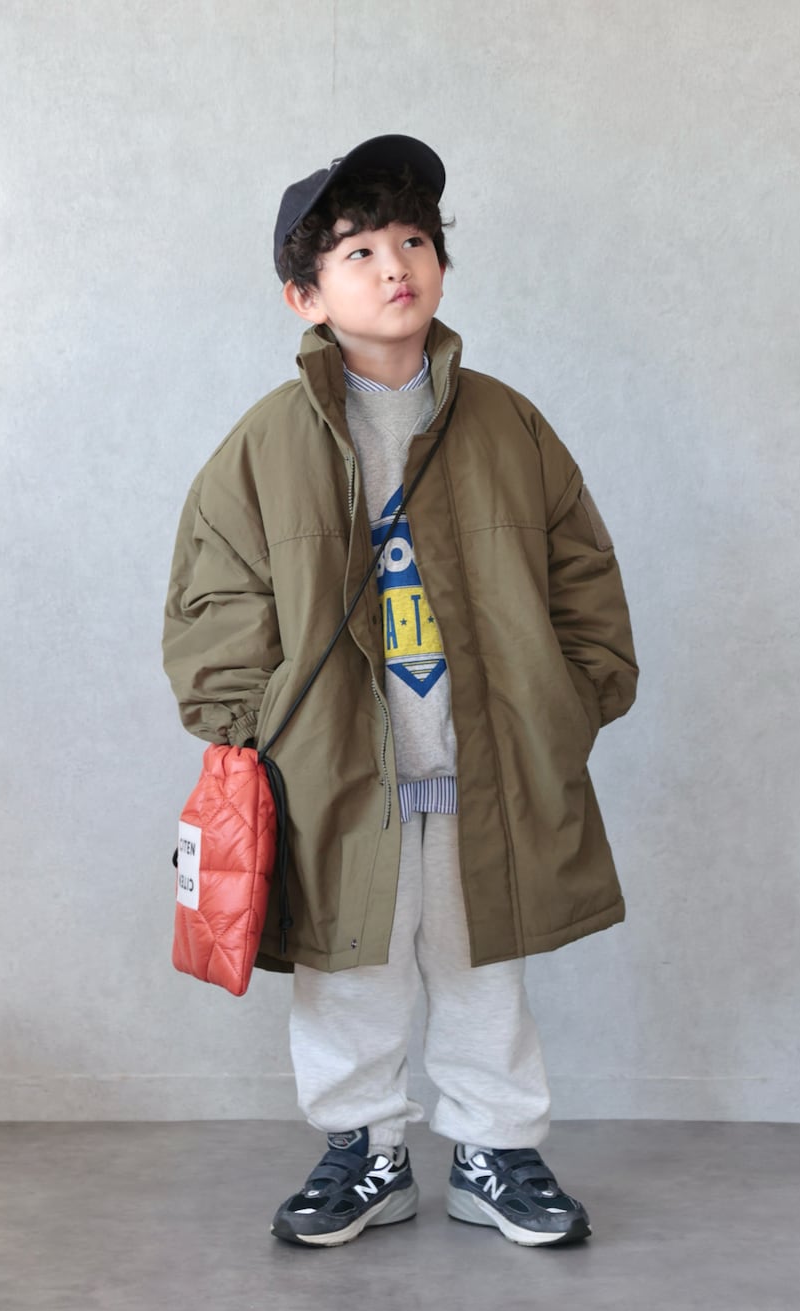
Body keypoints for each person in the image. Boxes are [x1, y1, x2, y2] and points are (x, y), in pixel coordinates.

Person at [162, 135, 638, 1248]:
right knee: (348, 973)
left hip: (484, 762)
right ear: (305, 295)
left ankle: (495, 1151)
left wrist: (572, 699)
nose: (395, 266)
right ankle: (362, 1151)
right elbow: (214, 598)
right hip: (337, 770)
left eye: (415, 241)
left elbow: (583, 571)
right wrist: (258, 730)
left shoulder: (508, 425)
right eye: (360, 251)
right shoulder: (265, 445)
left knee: (483, 968)